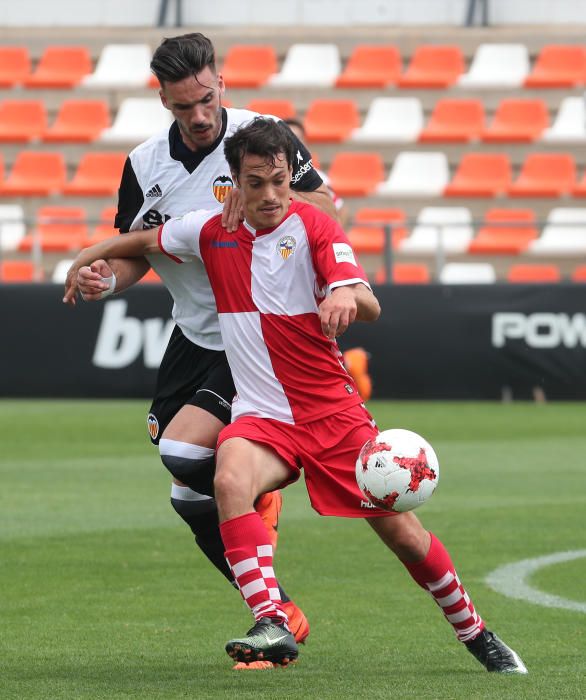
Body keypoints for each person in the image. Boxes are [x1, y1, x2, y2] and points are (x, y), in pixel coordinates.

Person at [67, 117, 527, 675]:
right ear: (232, 183)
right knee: (227, 477)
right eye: (255, 183)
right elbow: (143, 239)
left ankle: (476, 632)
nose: (270, 195)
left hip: (332, 415)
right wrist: (84, 256)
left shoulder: (315, 228)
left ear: (291, 177)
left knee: (404, 535)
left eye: (280, 181)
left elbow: (366, 299)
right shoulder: (208, 229)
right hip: (262, 416)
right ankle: (272, 619)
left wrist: (348, 300)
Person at [63, 33, 336, 669]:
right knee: (189, 491)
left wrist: (273, 201)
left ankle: (267, 480)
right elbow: (137, 250)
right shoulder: (142, 164)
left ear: (221, 85)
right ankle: (279, 610)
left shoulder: (260, 137)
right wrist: (107, 280)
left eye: (207, 99)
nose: (201, 116)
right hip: (193, 332)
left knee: (188, 451)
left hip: (257, 331)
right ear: (164, 99)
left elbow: (325, 204)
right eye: (185, 106)